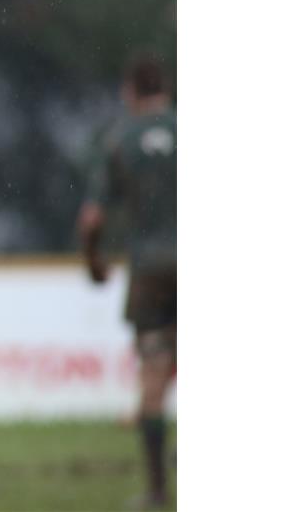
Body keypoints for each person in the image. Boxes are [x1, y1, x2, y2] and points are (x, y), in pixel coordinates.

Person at [77, 55, 176, 509]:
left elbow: (93, 217)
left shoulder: (120, 140)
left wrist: (93, 261)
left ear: (130, 90)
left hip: (150, 267)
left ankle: (157, 491)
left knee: (153, 375)